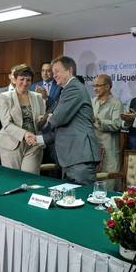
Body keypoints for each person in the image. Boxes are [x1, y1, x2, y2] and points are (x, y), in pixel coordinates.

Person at [40, 56, 101, 185]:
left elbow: (57, 119)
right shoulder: (68, 88)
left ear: (69, 70)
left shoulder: (73, 88)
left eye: (57, 71)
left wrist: (51, 117)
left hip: (79, 155)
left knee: (82, 198)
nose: (53, 75)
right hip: (73, 156)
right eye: (53, 71)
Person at [0, 65, 45, 174]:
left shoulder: (38, 97)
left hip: (33, 144)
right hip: (11, 144)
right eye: (21, 79)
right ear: (15, 80)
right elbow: (6, 124)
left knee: (30, 178)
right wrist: (25, 134)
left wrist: (43, 119)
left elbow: (41, 120)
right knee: (13, 180)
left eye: (28, 80)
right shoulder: (5, 97)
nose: (25, 83)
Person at [92, 74, 123, 190]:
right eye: (94, 86)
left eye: (98, 86)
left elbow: (117, 124)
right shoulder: (93, 101)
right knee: (95, 180)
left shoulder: (116, 103)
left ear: (107, 87)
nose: (95, 88)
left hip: (109, 148)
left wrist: (99, 121)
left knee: (109, 180)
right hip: (95, 147)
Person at [0, 64, 19, 155]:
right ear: (10, 76)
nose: (15, 77)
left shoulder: (27, 93)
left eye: (18, 74)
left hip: (20, 136)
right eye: (14, 74)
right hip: (1, 132)